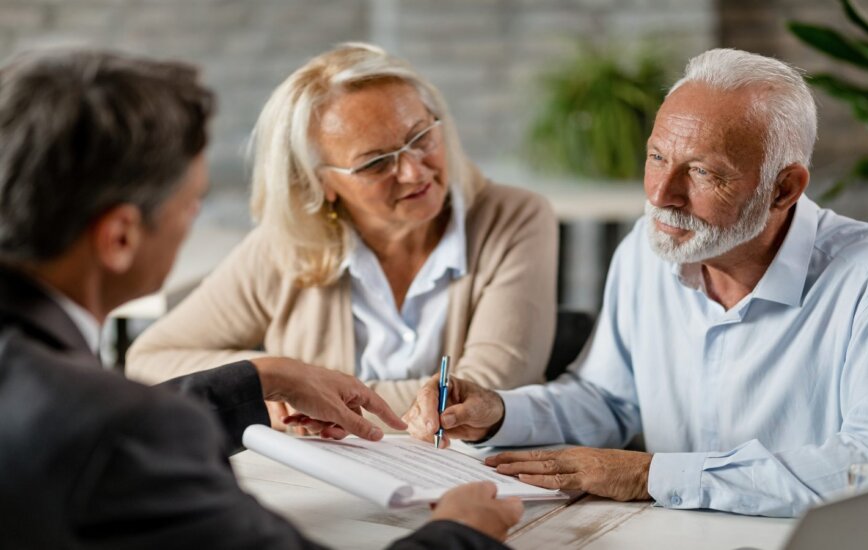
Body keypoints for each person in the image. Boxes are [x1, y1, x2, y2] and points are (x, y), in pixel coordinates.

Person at [0, 49, 523, 549]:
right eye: (193, 203)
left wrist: (263, 378)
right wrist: (464, 535)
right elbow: (117, 432)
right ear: (119, 238)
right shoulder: (128, 433)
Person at [404, 48, 868, 518]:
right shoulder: (647, 248)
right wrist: (498, 412)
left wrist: (653, 475)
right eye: (657, 157)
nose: (662, 195)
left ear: (784, 188)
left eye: (703, 172)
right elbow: (609, 399)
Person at [124, 42, 558, 430]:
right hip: (322, 486)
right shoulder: (286, 245)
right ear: (320, 183)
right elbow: (149, 361)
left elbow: (483, 397)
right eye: (375, 163)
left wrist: (310, 395)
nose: (413, 171)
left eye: (421, 137)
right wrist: (275, 378)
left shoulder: (515, 217)